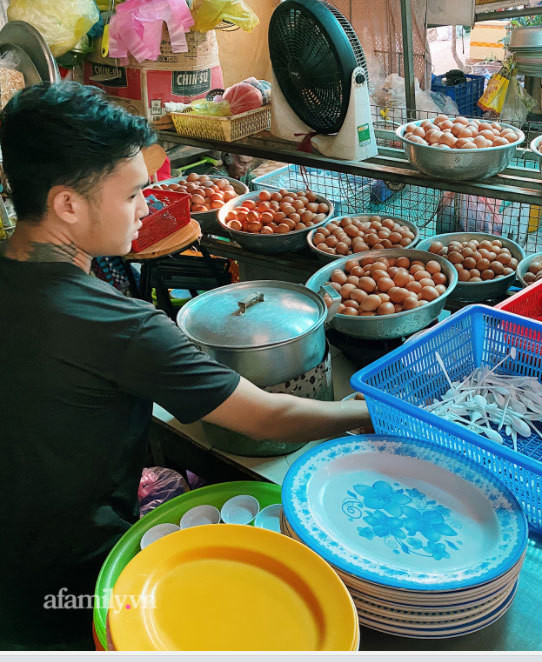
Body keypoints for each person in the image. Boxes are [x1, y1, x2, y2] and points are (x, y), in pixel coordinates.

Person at [0, 82, 371, 650]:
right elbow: (267, 418)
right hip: (73, 579)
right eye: (132, 195)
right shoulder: (119, 326)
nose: (145, 208)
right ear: (67, 205)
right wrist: (367, 412)